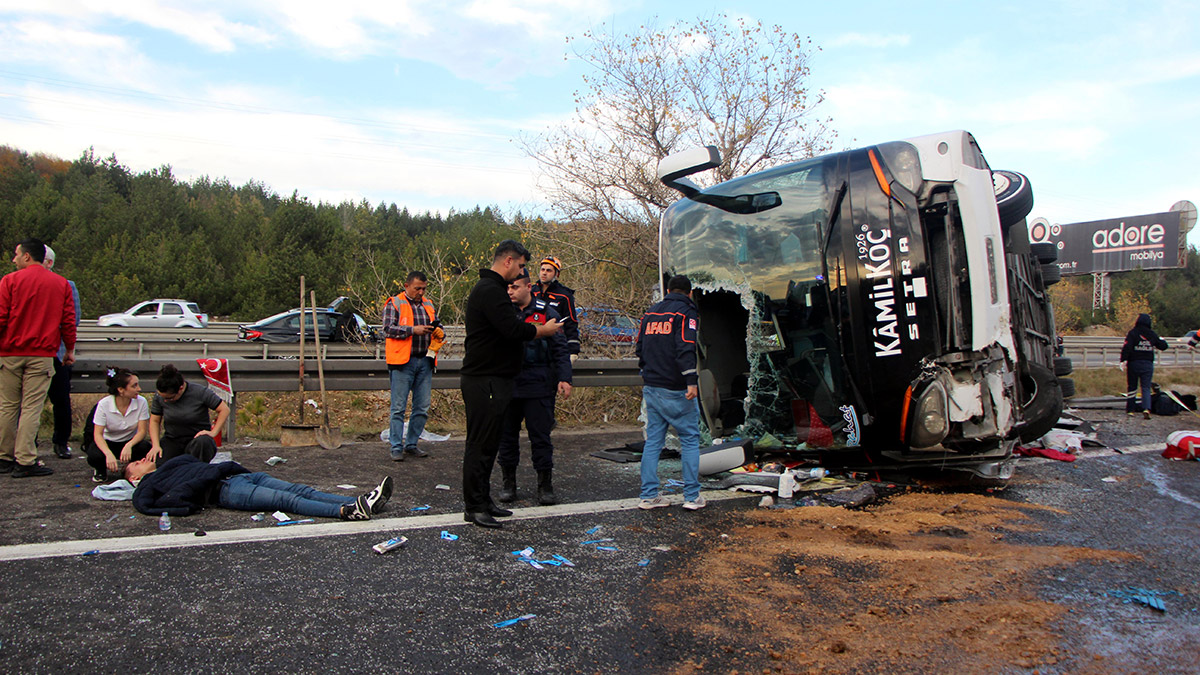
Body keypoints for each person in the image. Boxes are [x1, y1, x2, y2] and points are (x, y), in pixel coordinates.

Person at [460, 240, 562, 528]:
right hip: (485, 379)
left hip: (497, 379)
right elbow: (512, 329)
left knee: (490, 444)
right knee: (480, 445)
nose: (520, 272)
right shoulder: (490, 291)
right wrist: (543, 330)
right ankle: (474, 506)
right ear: (508, 261)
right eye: (520, 266)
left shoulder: (493, 290)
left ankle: (483, 501)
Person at [0, 237, 76, 478]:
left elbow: (1, 316)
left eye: (16, 254)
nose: (14, 259)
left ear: (27, 256)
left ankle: (4, 456)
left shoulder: (9, 281)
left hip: (10, 352)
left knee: (7, 406)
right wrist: (69, 349)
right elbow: (68, 321)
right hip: (42, 354)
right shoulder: (60, 283)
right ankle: (25, 459)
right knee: (31, 407)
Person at [497, 269, 572, 506]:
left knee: (540, 438)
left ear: (529, 287)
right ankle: (508, 484)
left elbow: (560, 349)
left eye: (515, 287)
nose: (510, 291)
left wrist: (564, 378)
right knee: (506, 438)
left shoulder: (546, 313)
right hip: (508, 384)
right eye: (508, 287)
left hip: (538, 384)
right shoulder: (502, 313)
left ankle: (545, 485)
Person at [129, 454, 393, 521]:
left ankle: (361, 501)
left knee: (301, 490)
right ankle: (346, 512)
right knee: (286, 500)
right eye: (136, 464)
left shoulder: (170, 464)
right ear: (133, 479)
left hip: (240, 476)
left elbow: (197, 461)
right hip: (224, 492)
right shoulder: (146, 487)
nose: (142, 460)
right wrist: (188, 508)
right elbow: (147, 507)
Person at [635, 274, 704, 511]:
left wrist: (648, 372)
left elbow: (640, 348)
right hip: (675, 388)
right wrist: (691, 381)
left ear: (667, 290)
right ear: (690, 293)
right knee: (690, 439)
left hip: (652, 386)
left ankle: (648, 495)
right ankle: (692, 497)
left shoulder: (651, 313)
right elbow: (686, 347)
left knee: (653, 441)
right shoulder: (686, 312)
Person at [382, 271, 445, 461]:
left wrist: (438, 331)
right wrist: (412, 330)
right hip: (402, 362)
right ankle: (396, 446)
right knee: (398, 407)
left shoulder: (428, 304)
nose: (421, 292)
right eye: (418, 288)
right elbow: (387, 329)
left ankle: (411, 444)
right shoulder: (395, 303)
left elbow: (437, 326)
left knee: (422, 407)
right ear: (407, 286)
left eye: (424, 288)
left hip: (425, 360)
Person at [42, 245, 81, 459]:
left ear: (49, 263)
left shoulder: (66, 285)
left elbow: (73, 319)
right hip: (32, 350)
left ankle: (61, 441)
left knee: (61, 400)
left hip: (57, 351)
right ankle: (27, 443)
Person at [148, 364, 230, 462]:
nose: (165, 401)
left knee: (202, 444)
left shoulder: (200, 392)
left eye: (169, 398)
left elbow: (224, 409)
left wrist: (213, 432)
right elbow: (155, 421)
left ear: (181, 388)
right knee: (159, 461)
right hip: (173, 439)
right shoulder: (159, 397)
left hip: (196, 439)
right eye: (163, 398)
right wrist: (155, 445)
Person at [84, 367, 152, 483]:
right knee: (94, 455)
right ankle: (100, 470)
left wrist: (129, 445)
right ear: (121, 390)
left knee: (145, 448)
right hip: (108, 441)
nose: (139, 389)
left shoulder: (141, 402)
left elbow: (142, 431)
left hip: (129, 440)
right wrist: (108, 453)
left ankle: (132, 469)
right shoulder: (104, 404)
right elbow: (98, 434)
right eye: (134, 386)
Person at [1120, 313, 1169, 420]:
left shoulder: (1133, 333)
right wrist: (1162, 340)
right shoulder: (1151, 334)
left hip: (1134, 363)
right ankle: (1146, 408)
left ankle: (1130, 410)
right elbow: (1163, 346)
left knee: (1132, 387)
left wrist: (1123, 360)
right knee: (1146, 387)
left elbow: (1127, 347)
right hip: (1147, 364)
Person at [531, 255, 580, 362]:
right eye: (542, 269)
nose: (544, 273)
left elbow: (571, 322)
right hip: (533, 343)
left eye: (549, 270)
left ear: (556, 274)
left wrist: (573, 350)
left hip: (555, 345)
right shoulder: (531, 291)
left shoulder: (564, 295)